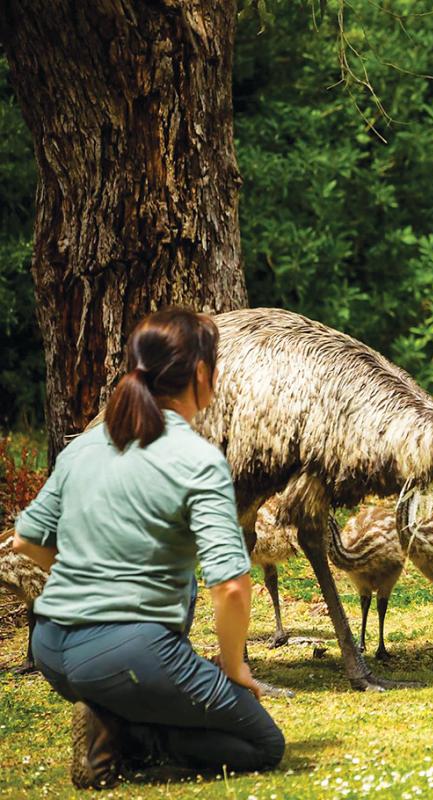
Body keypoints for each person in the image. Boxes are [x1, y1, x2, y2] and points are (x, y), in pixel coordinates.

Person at [13, 307, 284, 790]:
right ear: (201, 374)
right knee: (262, 742)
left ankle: (111, 715)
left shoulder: (84, 448)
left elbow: (27, 539)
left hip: (51, 648)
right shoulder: (198, 459)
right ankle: (129, 735)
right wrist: (235, 666)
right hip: (130, 655)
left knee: (143, 670)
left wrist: (86, 578)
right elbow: (232, 588)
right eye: (215, 364)